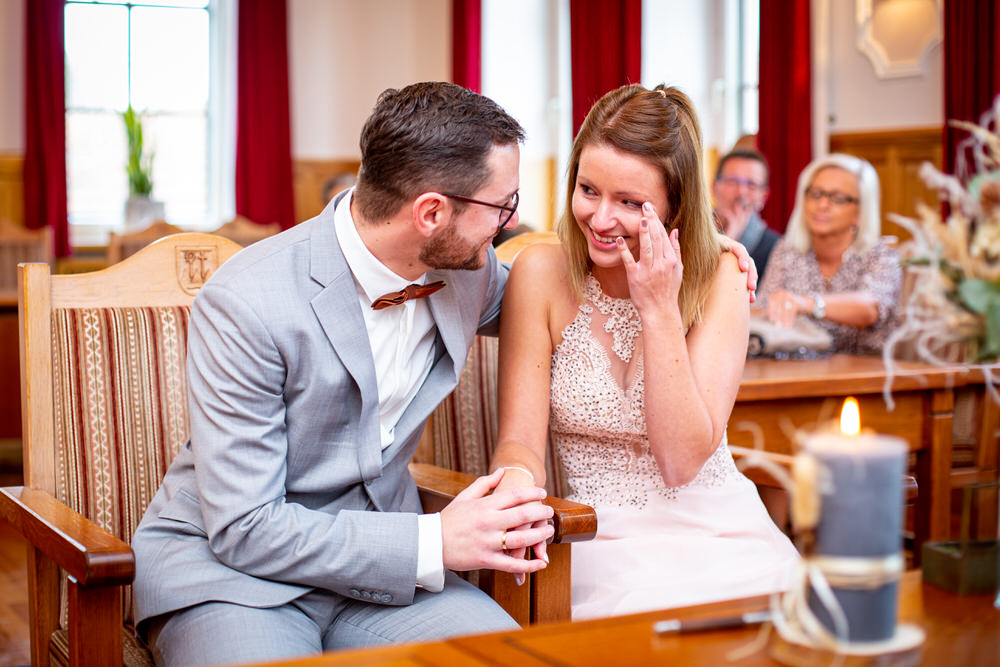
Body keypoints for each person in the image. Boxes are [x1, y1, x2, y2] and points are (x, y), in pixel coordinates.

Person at [130, 82, 558, 666]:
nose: (508, 225)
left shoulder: (466, 271)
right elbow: (245, 527)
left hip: (382, 585)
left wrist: (701, 258)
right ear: (431, 211)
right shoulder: (247, 300)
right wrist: (434, 540)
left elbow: (560, 297)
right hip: (234, 581)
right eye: (502, 207)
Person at [490, 84, 798, 620]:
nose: (602, 219)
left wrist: (658, 310)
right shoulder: (539, 274)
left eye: (631, 203)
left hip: (723, 534)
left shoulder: (721, 278)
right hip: (595, 540)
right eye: (588, 190)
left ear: (676, 206)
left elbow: (680, 462)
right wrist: (515, 488)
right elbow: (518, 441)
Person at [755, 153, 902, 355]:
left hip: (866, 376)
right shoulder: (787, 251)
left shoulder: (881, 255)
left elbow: (870, 308)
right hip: (798, 373)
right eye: (816, 194)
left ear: (860, 212)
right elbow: (762, 310)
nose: (822, 205)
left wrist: (806, 303)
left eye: (838, 198)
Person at [713, 148, 781, 278]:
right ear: (714, 187)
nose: (741, 192)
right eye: (732, 182)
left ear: (764, 196)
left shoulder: (776, 248)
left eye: (752, 185)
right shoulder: (691, 230)